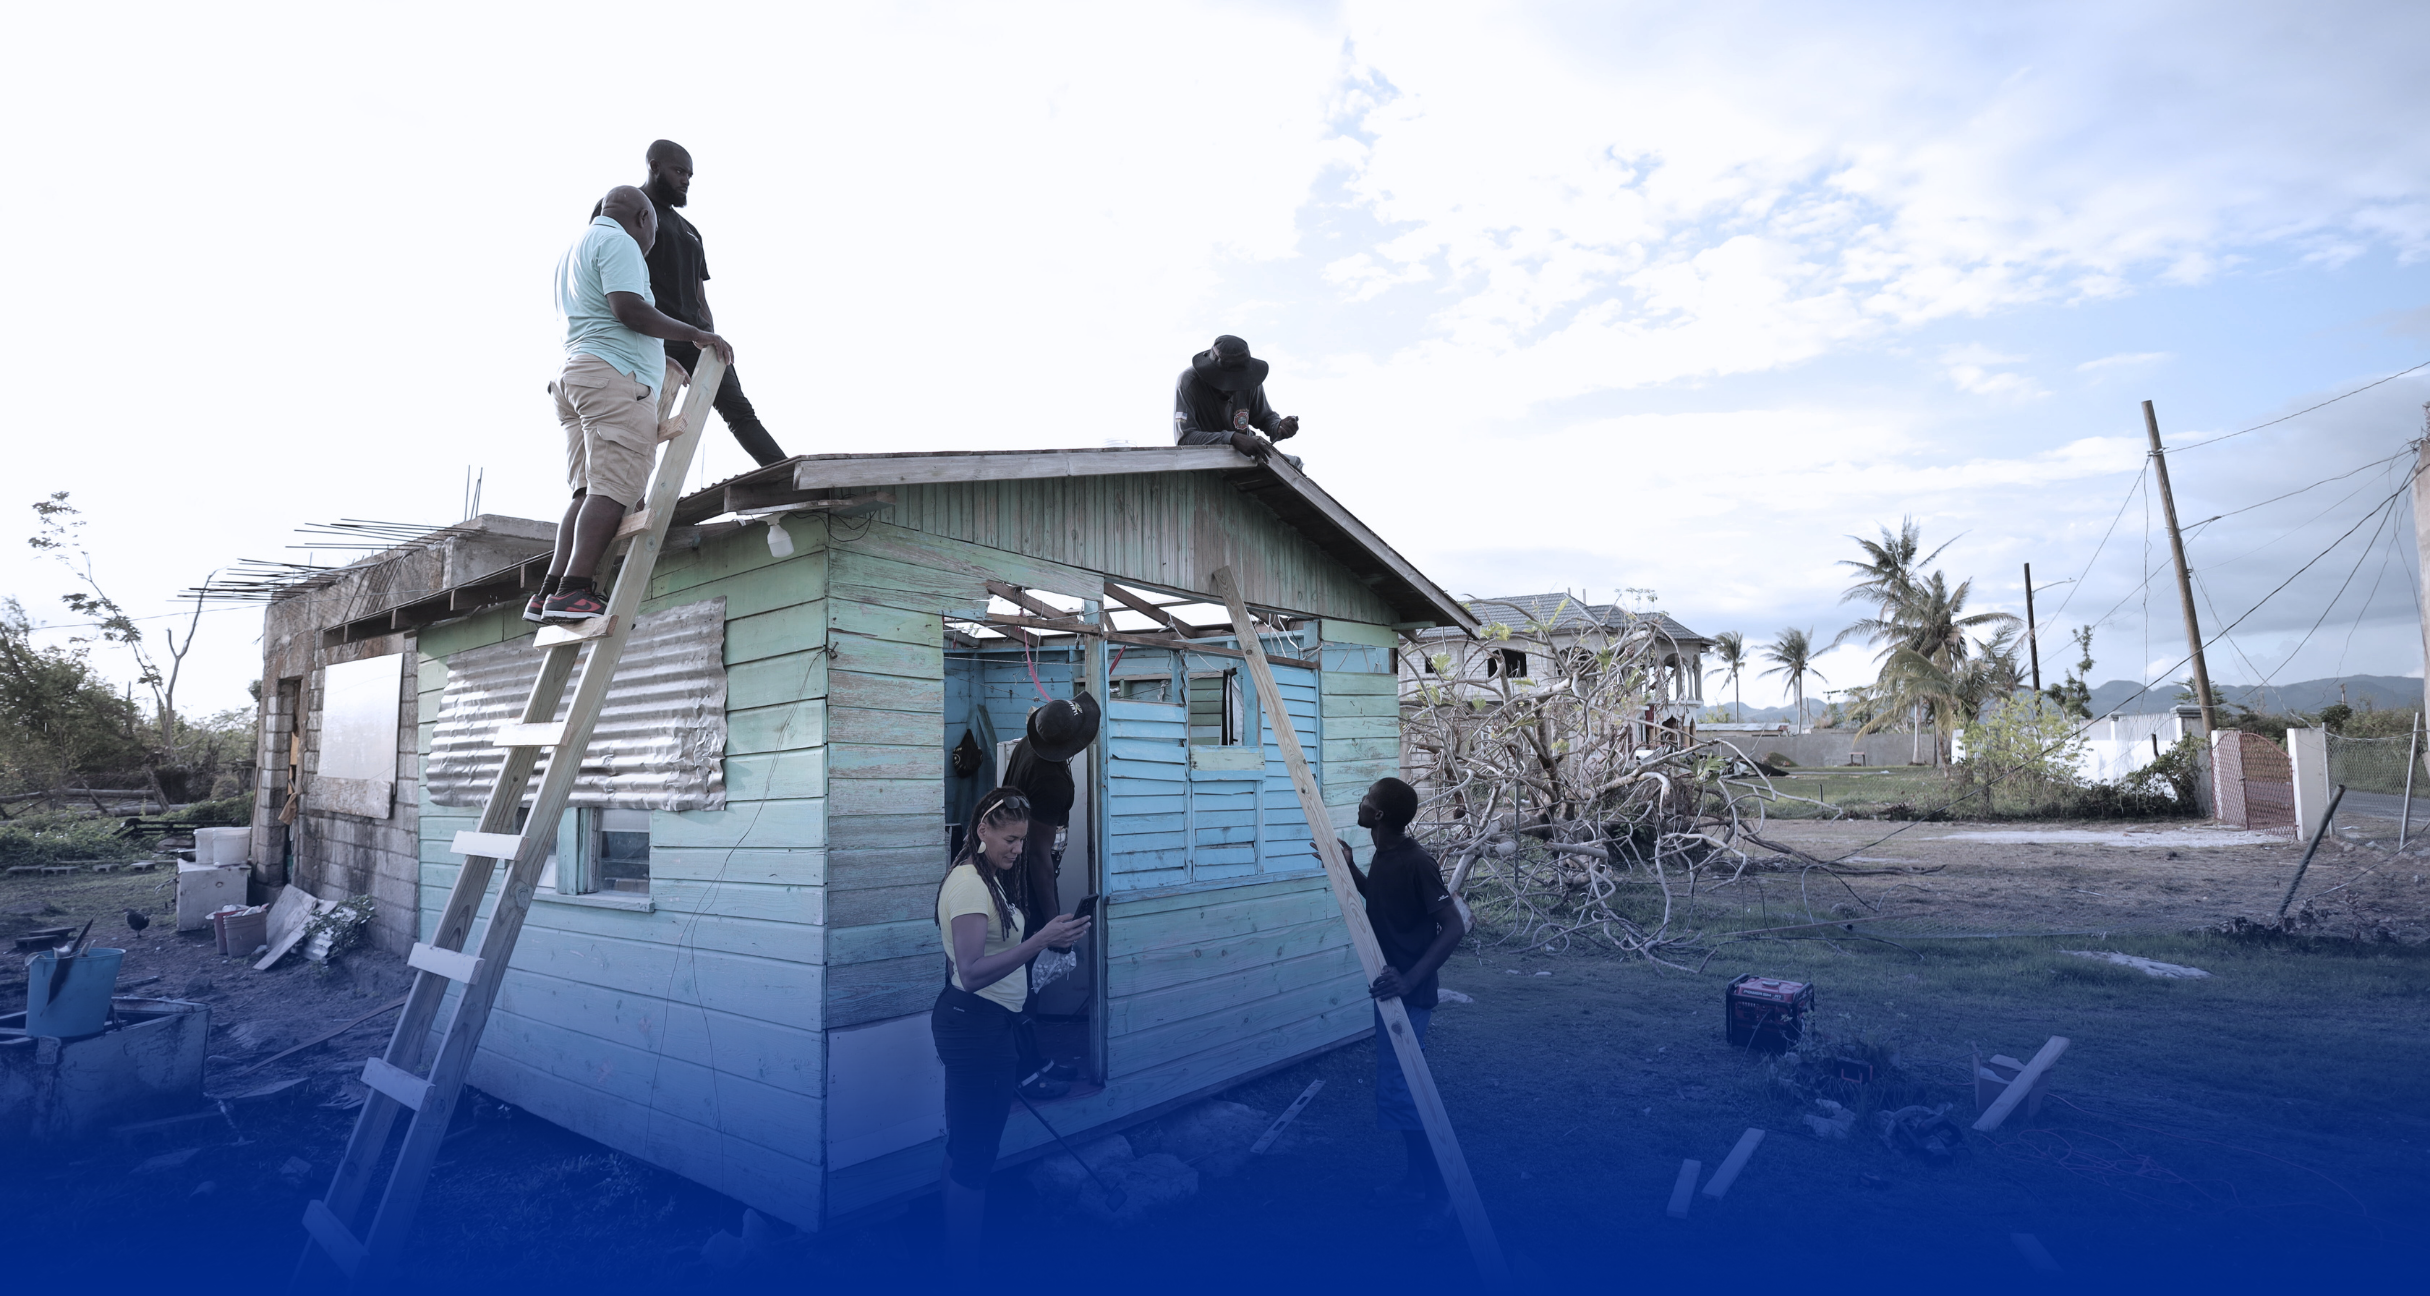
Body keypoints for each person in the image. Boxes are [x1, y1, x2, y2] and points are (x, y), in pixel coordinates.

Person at [528, 186, 734, 623]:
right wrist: (694, 333)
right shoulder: (619, 241)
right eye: (653, 233)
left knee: (586, 491)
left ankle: (548, 592)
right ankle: (574, 590)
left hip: (577, 377)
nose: (650, 244)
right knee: (615, 490)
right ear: (643, 219)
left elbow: (606, 319)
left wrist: (657, 356)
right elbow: (629, 310)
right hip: (611, 382)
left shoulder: (574, 249)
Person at [932, 787, 1091, 1252]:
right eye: (1011, 839)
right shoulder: (969, 884)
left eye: (1023, 840)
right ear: (983, 829)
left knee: (964, 1145)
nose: (1019, 849)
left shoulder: (986, 878)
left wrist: (1050, 942)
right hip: (976, 1027)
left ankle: (949, 1251)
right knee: (976, 1157)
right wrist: (1039, 939)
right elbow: (971, 972)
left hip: (985, 1023)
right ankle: (963, 1273)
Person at [1323, 777, 1466, 1211]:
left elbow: (1454, 926)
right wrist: (1351, 870)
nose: (1361, 803)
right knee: (1401, 1093)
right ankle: (1415, 1183)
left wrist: (1410, 980)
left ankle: (1439, 1198)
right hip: (1390, 992)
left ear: (1379, 814)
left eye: (1367, 798)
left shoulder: (1417, 861)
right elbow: (1383, 903)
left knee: (1406, 1095)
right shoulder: (1384, 856)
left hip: (1409, 995)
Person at [622, 139, 788, 466]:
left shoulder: (690, 232)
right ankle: (625, 494)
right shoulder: (628, 208)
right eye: (679, 171)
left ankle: (788, 477)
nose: (686, 180)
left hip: (697, 339)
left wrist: (710, 335)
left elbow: (699, 295)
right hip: (652, 337)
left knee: (741, 413)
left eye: (690, 175)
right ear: (654, 166)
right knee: (639, 426)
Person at [999, 689, 1102, 1098]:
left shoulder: (1030, 745)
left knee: (1025, 980)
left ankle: (1034, 1058)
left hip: (1013, 876)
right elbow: (1038, 856)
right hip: (1026, 883)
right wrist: (1055, 922)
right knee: (1023, 983)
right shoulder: (1051, 780)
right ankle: (1022, 1073)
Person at [1172, 334, 1302, 466]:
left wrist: (1278, 426)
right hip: (1204, 463)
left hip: (1246, 460)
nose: (1233, 389)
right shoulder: (1189, 383)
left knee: (1295, 465)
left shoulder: (1251, 381)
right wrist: (1231, 438)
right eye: (1227, 383)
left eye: (1238, 383)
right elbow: (1185, 439)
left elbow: (1265, 417)